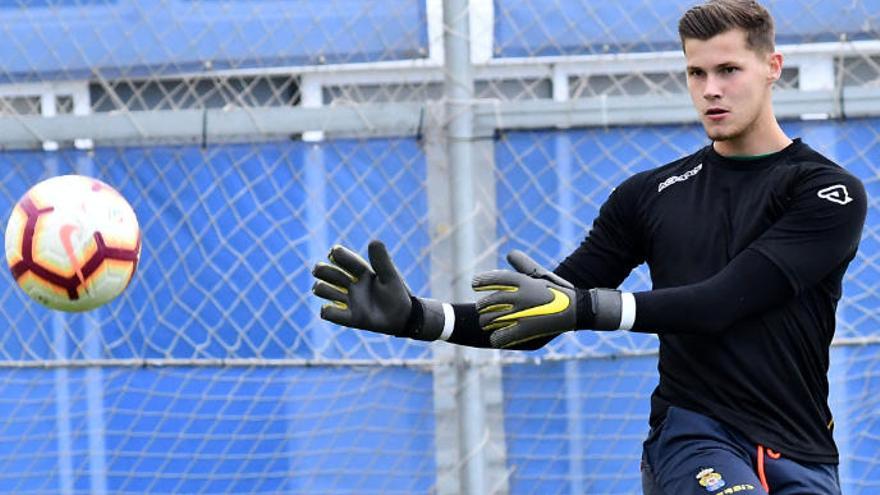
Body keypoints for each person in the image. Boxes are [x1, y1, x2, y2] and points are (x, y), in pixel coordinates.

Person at [311, 0, 866, 493]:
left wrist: (584, 309)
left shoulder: (825, 191)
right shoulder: (648, 195)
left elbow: (725, 302)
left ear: (772, 69)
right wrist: (419, 317)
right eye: (695, 72)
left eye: (728, 70)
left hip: (803, 450)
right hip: (697, 435)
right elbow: (539, 317)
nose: (710, 90)